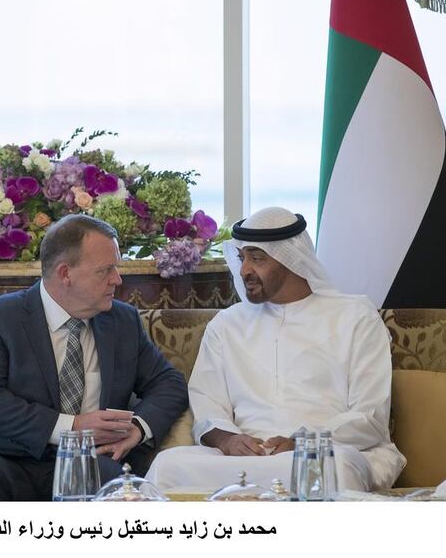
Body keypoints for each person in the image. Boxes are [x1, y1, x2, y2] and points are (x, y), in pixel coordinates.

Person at [145, 206, 406, 494]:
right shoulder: (227, 324)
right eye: (242, 258)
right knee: (167, 466)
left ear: (291, 259)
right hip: (242, 458)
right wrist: (226, 439)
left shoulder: (355, 317)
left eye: (257, 259)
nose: (245, 270)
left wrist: (302, 442)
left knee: (330, 471)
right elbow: (207, 399)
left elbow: (370, 414)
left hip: (326, 450)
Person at [0, 214, 188, 500]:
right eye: (105, 270)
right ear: (65, 273)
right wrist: (72, 427)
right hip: (5, 455)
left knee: (127, 491)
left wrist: (138, 427)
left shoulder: (123, 321)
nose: (117, 279)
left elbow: (168, 383)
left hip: (93, 460)